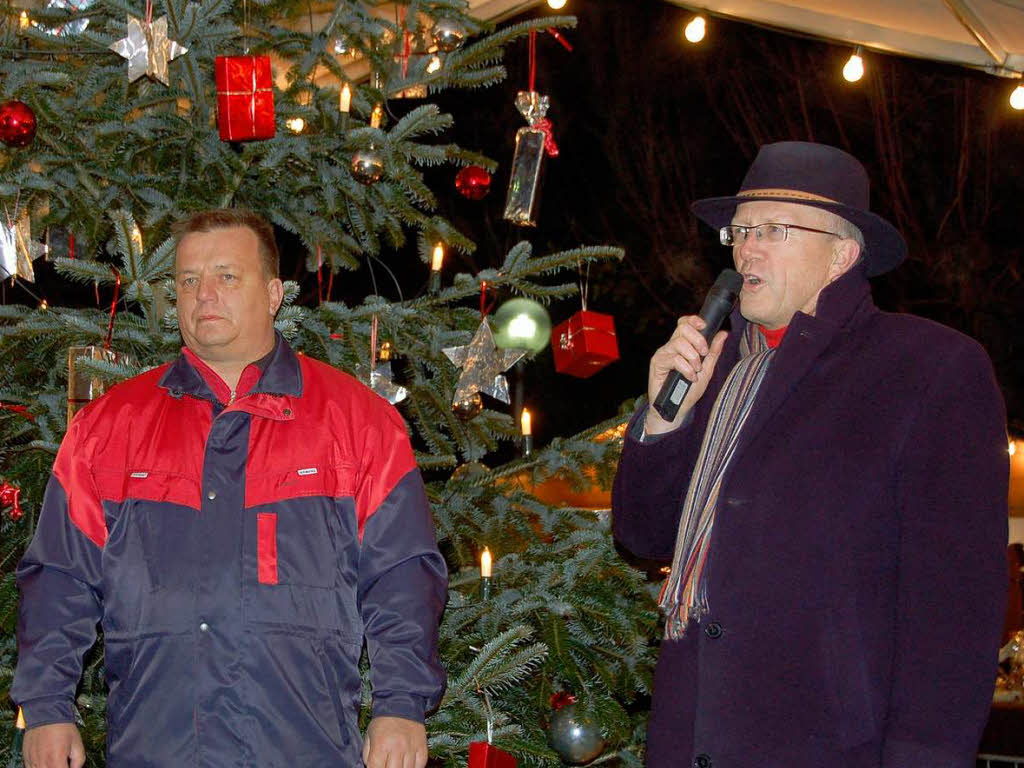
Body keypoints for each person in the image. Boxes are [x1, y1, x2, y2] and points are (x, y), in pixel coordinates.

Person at [612, 141, 1009, 768]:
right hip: (691, 738)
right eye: (740, 232)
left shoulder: (927, 369)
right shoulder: (716, 369)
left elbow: (953, 611)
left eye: (774, 229)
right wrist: (666, 419)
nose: (746, 248)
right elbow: (642, 535)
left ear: (842, 256)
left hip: (829, 744)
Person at [13, 209, 448, 768]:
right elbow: (59, 577)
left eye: (226, 276)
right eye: (189, 280)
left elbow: (403, 574)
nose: (204, 296)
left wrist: (402, 705)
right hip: (156, 747)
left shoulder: (358, 423)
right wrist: (47, 708)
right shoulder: (108, 428)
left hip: (303, 748)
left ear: (272, 294)